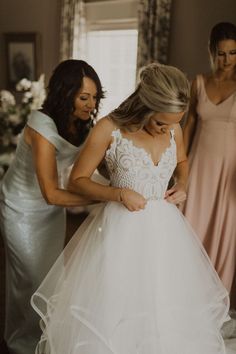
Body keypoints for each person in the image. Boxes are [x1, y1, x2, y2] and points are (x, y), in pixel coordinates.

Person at [31, 63, 229, 354]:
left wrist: (183, 183)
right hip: (121, 233)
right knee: (118, 309)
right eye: (161, 122)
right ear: (146, 105)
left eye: (173, 123)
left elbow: (183, 161)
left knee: (165, 307)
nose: (167, 128)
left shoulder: (174, 126)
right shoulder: (109, 128)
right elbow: (77, 180)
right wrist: (118, 193)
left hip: (167, 232)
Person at [0, 59, 104, 354]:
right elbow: (51, 193)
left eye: (95, 97)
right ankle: (21, 343)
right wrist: (106, 196)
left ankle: (44, 340)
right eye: (84, 97)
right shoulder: (41, 125)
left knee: (49, 278)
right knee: (29, 279)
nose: (90, 104)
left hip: (50, 212)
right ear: (64, 93)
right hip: (21, 208)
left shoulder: (85, 123)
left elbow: (100, 161)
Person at [182, 22, 236, 295]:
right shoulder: (199, 83)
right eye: (221, 53)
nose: (226, 60)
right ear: (212, 51)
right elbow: (188, 127)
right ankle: (182, 294)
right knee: (190, 229)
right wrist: (180, 166)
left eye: (232, 53)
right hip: (198, 168)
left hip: (230, 173)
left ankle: (213, 301)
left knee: (222, 233)